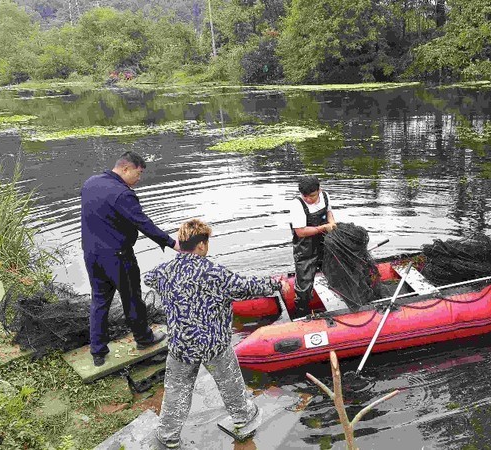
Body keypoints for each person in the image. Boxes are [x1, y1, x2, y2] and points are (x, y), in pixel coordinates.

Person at [144, 219, 289, 449]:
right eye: (207, 242)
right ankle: (243, 417)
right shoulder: (214, 273)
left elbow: (147, 278)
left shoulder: (164, 272)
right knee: (230, 385)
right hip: (214, 345)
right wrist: (277, 284)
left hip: (181, 345)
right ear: (201, 245)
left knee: (176, 393)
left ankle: (168, 435)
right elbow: (247, 287)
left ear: (181, 244)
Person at [80, 151, 180, 367]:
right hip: (117, 256)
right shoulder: (123, 194)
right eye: (139, 172)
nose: (139, 178)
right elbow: (143, 223)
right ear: (126, 169)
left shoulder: (90, 183)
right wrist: (172, 243)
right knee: (132, 298)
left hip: (91, 255)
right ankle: (144, 339)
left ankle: (98, 352)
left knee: (99, 301)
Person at [288, 176, 337, 318]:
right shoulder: (297, 205)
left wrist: (332, 223)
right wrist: (323, 228)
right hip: (305, 250)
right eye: (305, 197)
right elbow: (301, 231)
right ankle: (302, 315)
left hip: (325, 245)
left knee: (335, 273)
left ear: (319, 190)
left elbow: (329, 213)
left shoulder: (325, 196)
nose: (309, 199)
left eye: (312, 196)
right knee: (304, 287)